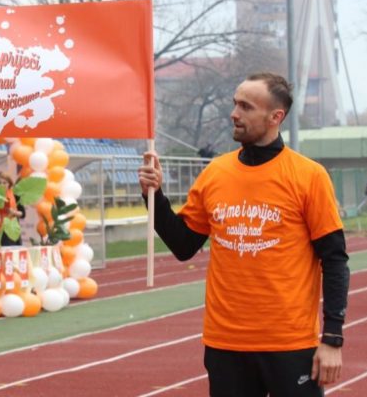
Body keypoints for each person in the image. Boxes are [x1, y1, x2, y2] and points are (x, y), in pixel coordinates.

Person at [137, 72, 349, 396]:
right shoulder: (216, 173)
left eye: (246, 107)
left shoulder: (309, 176)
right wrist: (155, 197)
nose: (234, 113)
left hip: (289, 344)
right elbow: (182, 246)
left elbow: (334, 260)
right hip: (225, 344)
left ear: (276, 116)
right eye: (235, 103)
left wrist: (333, 337)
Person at [0, 172, 25, 246]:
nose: (2, 185)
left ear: (9, 184)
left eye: (4, 183)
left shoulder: (15, 195)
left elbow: (23, 214)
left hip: (11, 229)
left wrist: (13, 212)